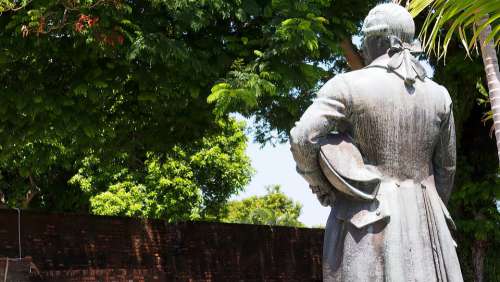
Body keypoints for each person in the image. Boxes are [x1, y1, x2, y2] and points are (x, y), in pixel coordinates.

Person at [289, 3, 463, 281]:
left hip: (365, 221)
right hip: (428, 228)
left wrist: (324, 186)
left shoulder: (347, 86)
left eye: (365, 40)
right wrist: (425, 209)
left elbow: (302, 138)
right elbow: (446, 170)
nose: (362, 47)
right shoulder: (439, 96)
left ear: (377, 41)